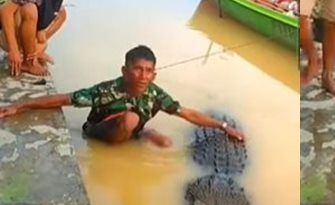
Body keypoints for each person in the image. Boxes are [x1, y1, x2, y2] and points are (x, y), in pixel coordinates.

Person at [0, 45, 245, 147]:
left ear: (154, 74)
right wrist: (21, 106)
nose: (143, 75)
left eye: (148, 71)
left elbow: (187, 113)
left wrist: (224, 126)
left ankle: (140, 134)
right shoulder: (106, 90)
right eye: (137, 69)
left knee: (165, 142)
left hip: (129, 129)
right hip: (98, 132)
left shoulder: (156, 94)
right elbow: (64, 99)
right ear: (125, 70)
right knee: (129, 119)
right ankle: (136, 134)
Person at [0, 0, 66, 76]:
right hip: (7, 35)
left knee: (61, 13)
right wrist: (13, 49)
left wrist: (41, 43)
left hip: (25, 38)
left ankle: (33, 51)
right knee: (29, 9)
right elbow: (5, 11)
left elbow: (61, 15)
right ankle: (28, 63)